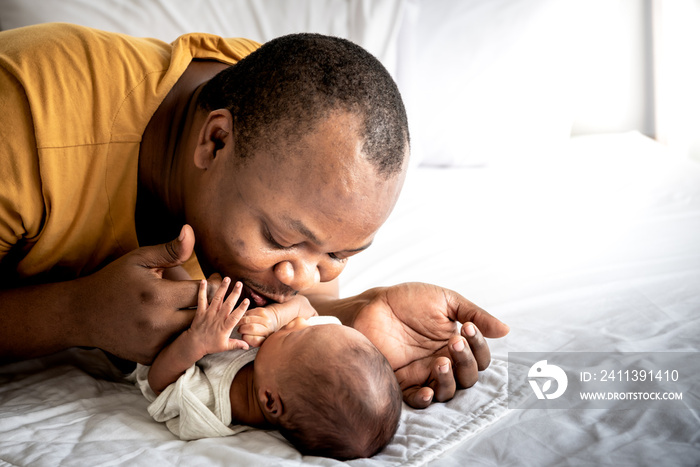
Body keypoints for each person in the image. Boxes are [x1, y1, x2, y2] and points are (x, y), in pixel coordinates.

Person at [0, 23, 510, 409]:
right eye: (280, 237)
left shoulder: (283, 121)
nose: (301, 277)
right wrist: (75, 313)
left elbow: (300, 299)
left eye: (337, 255)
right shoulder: (21, 125)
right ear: (215, 141)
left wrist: (351, 314)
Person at [132, 277, 402, 460]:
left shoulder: (212, 406)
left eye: (295, 336)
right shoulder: (310, 350)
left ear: (270, 400)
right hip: (209, 287)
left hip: (150, 329)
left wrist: (196, 343)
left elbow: (159, 382)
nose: (298, 324)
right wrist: (275, 317)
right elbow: (306, 308)